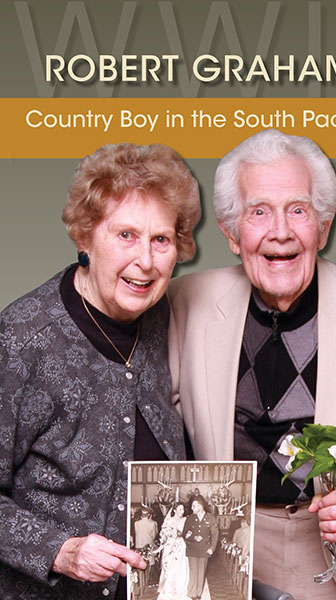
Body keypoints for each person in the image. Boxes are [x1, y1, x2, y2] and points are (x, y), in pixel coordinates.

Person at [168, 129, 336, 599]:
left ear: (323, 227)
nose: (280, 231)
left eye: (298, 210)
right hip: (222, 549)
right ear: (232, 235)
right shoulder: (184, 301)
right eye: (259, 212)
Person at [0, 142, 200, 599]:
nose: (145, 261)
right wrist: (60, 550)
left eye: (161, 240)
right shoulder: (22, 339)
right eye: (125, 235)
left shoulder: (158, 317)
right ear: (85, 237)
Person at [182, 496, 219, 600]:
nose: (192, 508)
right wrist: (193, 537)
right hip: (192, 549)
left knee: (201, 572)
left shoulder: (210, 518)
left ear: (200, 506)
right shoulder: (190, 518)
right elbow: (184, 533)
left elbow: (215, 534)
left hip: (204, 549)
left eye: (194, 506)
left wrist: (212, 548)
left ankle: (198, 594)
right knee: (193, 571)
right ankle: (192, 594)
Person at [156, 502, 189, 600]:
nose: (182, 512)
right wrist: (170, 536)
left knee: (181, 566)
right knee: (170, 567)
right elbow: (163, 534)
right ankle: (170, 588)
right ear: (174, 510)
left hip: (181, 545)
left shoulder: (185, 520)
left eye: (183, 509)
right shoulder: (169, 521)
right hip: (170, 546)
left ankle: (180, 587)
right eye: (179, 509)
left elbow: (187, 531)